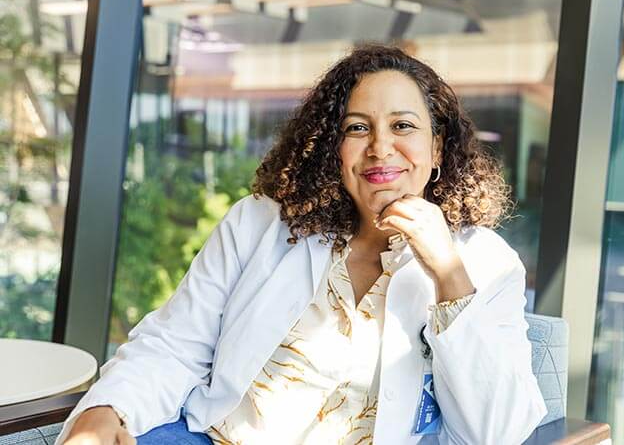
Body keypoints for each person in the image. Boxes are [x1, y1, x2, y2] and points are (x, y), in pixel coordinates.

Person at [58, 43, 546, 445]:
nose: (379, 147)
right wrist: (107, 409)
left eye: (403, 126)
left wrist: (448, 273)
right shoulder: (261, 224)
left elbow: (498, 433)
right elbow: (176, 344)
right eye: (357, 128)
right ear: (333, 149)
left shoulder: (486, 262)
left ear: (436, 148)